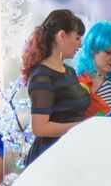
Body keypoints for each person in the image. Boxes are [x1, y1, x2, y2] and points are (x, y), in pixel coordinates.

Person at [20, 9, 89, 167]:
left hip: (70, 151)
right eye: (77, 37)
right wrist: (82, 126)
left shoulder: (69, 71)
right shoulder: (42, 76)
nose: (80, 44)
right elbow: (40, 128)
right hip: (51, 157)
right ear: (62, 35)